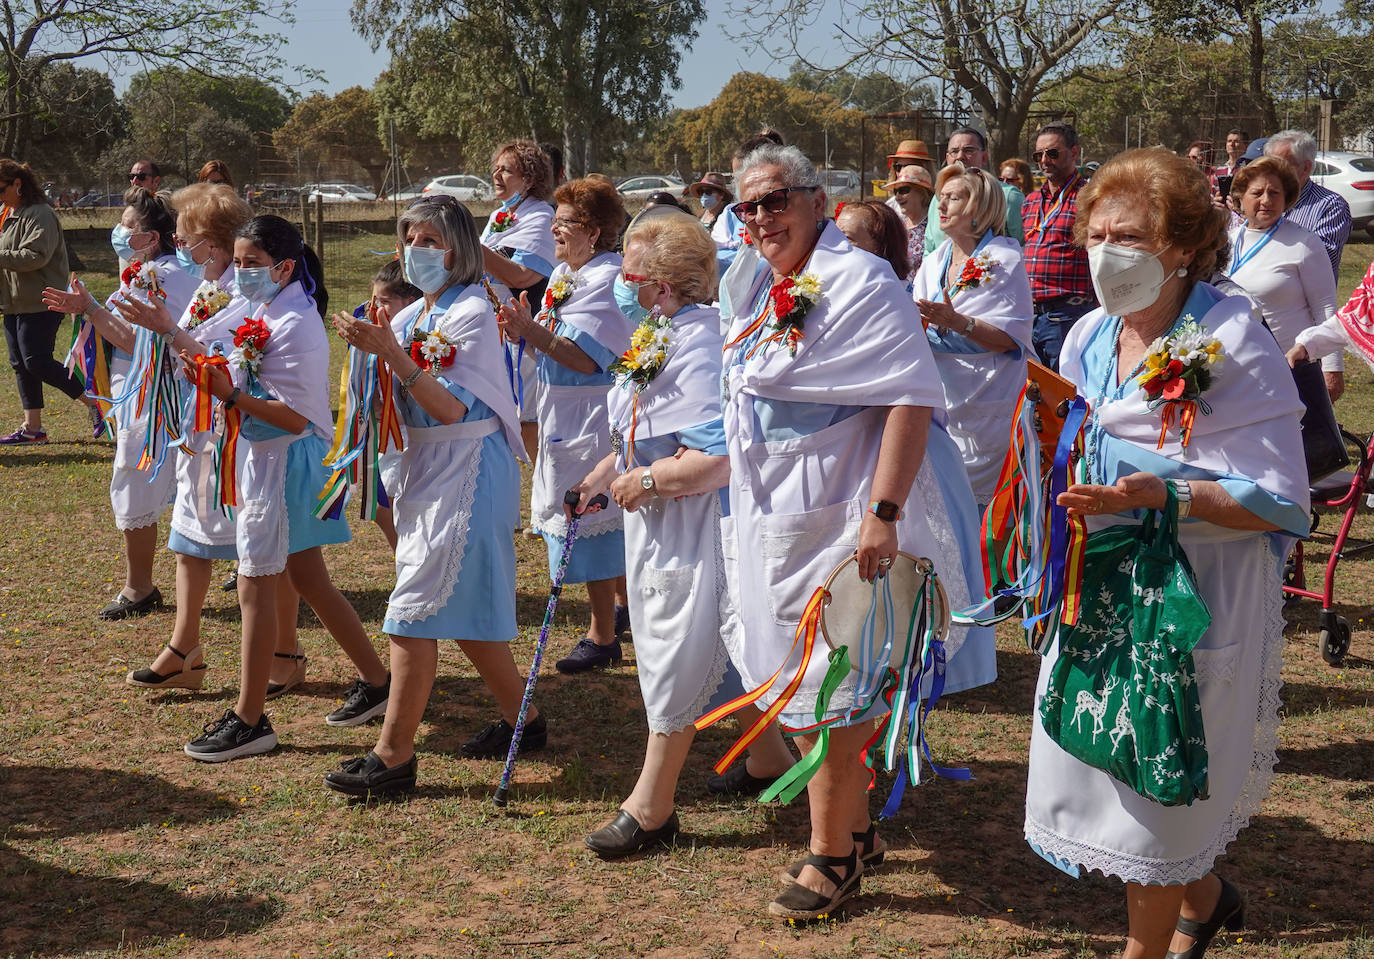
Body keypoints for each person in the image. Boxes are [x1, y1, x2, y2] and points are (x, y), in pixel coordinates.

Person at [1024, 147, 1310, 959]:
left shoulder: (1228, 338)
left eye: (1133, 237)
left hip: (1191, 588)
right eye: (1098, 233)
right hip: (1097, 578)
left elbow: (1285, 498)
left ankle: (1141, 951)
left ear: (1184, 245)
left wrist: (1166, 494)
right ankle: (1207, 898)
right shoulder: (1086, 333)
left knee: (1155, 780)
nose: (1108, 251)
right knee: (1102, 751)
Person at [721, 143, 992, 920]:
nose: (764, 217)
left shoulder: (862, 281)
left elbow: (911, 398)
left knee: (834, 683)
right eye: (750, 206)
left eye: (776, 199)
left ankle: (831, 858)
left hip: (842, 509)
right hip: (777, 509)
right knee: (809, 679)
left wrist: (883, 514)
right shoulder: (761, 286)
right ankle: (859, 831)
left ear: (816, 199)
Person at [115, 215, 390, 761]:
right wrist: (169, 329)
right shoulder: (257, 305)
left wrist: (230, 395)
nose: (240, 273)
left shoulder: (297, 323)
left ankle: (249, 719)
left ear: (284, 267)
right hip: (259, 455)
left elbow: (293, 419)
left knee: (255, 583)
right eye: (237, 262)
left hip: (283, 460)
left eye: (252, 264)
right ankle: (377, 681)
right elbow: (207, 348)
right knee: (307, 576)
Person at [569, 211, 793, 856]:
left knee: (676, 650)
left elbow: (717, 457)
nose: (619, 285)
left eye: (629, 275)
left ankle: (652, 805)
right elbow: (642, 432)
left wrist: (648, 482)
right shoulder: (659, 332)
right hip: (664, 524)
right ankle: (770, 758)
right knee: (718, 641)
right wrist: (600, 476)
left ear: (662, 285)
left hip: (698, 523)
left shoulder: (698, 342)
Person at [324, 195, 544, 794]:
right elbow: (388, 391)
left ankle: (393, 757)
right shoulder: (416, 313)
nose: (415, 251)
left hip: (469, 465)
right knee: (464, 611)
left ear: (459, 249)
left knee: (411, 613)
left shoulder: (471, 308)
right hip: (427, 468)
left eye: (429, 241)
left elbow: (448, 407)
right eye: (409, 239)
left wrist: (388, 352)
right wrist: (370, 354)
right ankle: (525, 718)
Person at [42, 187, 199, 620]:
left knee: (139, 476)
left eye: (128, 226)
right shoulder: (147, 271)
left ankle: (140, 587)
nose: (119, 231)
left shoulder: (161, 277)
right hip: (143, 388)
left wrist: (91, 308)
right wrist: (89, 307)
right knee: (151, 479)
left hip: (158, 394)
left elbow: (138, 342)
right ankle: (145, 583)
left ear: (152, 238)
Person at [497, 177, 633, 673]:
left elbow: (586, 358)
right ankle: (619, 612)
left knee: (592, 516)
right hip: (562, 408)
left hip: (593, 412)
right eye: (555, 218)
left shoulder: (607, 280)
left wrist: (530, 330)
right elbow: (553, 342)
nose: (553, 228)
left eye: (566, 221)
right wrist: (527, 330)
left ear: (594, 232)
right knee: (593, 517)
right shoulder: (562, 275)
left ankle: (602, 635)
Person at [914, 166, 1034, 508]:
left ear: (979, 209)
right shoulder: (934, 260)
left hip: (991, 395)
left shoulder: (1004, 259)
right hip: (944, 393)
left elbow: (1013, 339)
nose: (942, 206)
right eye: (941, 198)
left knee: (990, 513)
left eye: (954, 198)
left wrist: (958, 322)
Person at [0, 157, 100, 445]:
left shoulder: (40, 214)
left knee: (37, 361)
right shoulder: (8, 213)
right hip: (15, 303)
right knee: (20, 363)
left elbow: (36, 256)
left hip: (43, 301)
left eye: (1, 189)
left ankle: (94, 402)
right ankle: (33, 429)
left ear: (18, 184)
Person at [481, 140, 556, 468]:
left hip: (526, 327)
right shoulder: (502, 215)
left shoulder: (539, 214)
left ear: (528, 179)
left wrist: (470, 246)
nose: (496, 174)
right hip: (497, 330)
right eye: (495, 168)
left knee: (529, 422)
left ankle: (546, 490)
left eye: (506, 169)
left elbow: (524, 275)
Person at [1225, 157, 1338, 374]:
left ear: (1286, 198)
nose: (1266, 200)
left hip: (1289, 368)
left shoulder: (1304, 243)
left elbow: (1326, 309)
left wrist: (1332, 370)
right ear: (1240, 197)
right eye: (1257, 193)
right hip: (1233, 369)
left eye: (1275, 193)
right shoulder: (1226, 243)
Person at [1264, 129, 1353, 403]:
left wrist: (1331, 366)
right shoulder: (1259, 204)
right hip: (1260, 334)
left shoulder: (1330, 206)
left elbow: (1320, 265)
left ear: (1305, 168)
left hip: (1304, 336)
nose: (1273, 172)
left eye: (1281, 165)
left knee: (1307, 426)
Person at [1023, 121, 1096, 371]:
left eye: (1052, 153)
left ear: (1074, 153)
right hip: (1029, 316)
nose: (1044, 160)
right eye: (1039, 155)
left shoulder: (1089, 199)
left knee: (1063, 395)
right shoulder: (1031, 201)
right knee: (1030, 396)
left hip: (1067, 315)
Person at [923, 127, 1025, 252]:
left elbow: (1024, 246)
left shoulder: (1009, 196)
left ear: (984, 157)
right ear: (947, 158)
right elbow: (929, 248)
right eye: (954, 151)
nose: (960, 156)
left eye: (968, 150)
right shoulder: (938, 198)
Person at [835, 200, 910, 281]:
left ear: (881, 246)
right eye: (835, 236)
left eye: (846, 238)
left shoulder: (889, 291)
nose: (834, 245)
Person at [880, 165, 933, 279]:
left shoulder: (933, 225)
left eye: (904, 190)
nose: (898, 197)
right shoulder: (898, 224)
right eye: (895, 191)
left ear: (922, 192)